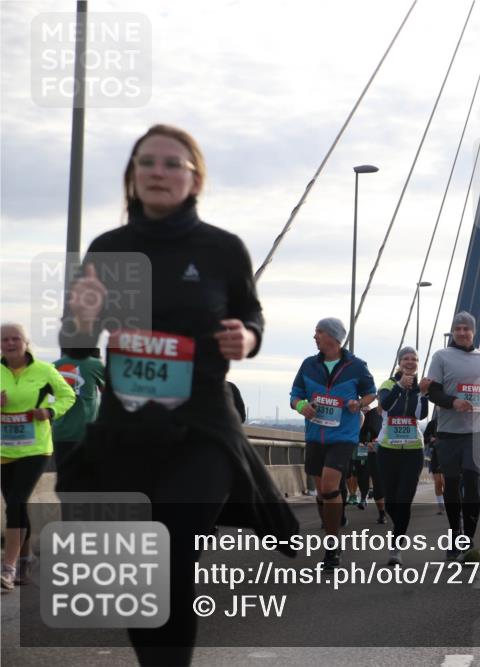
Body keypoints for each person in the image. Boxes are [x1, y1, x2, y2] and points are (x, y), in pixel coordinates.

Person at [57, 125, 298, 666]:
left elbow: (251, 314)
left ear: (195, 180)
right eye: (147, 163)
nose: (159, 172)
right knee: (142, 569)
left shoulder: (220, 249)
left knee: (174, 552)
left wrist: (248, 337)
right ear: (132, 177)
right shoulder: (110, 249)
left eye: (172, 163)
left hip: (203, 429)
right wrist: (83, 314)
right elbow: (75, 342)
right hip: (128, 429)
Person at [290, 317, 376, 570]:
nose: (314, 336)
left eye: (318, 332)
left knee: (328, 488)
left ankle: (332, 548)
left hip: (343, 436)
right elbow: (295, 395)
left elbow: (371, 392)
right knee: (322, 493)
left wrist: (358, 404)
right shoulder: (308, 365)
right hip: (316, 436)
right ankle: (334, 518)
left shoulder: (356, 366)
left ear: (333, 337)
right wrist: (302, 406)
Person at [2, 324, 76, 590]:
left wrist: (50, 412)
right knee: (17, 507)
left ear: (26, 342)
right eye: (5, 339)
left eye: (15, 338)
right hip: (4, 449)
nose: (10, 343)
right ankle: (24, 559)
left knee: (15, 503)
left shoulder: (43, 370)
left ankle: (8, 568)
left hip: (35, 448)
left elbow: (68, 395)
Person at [421, 312, 480, 564]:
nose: (462, 333)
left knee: (472, 484)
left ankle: (468, 540)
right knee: (451, 485)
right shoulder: (441, 356)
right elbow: (432, 391)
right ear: (452, 331)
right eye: (458, 329)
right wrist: (453, 402)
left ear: (474, 332)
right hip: (448, 432)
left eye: (466, 329)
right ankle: (454, 534)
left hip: (476, 432)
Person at [376, 346, 429, 565]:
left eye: (414, 359)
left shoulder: (419, 387)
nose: (410, 362)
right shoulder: (388, 384)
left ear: (417, 363)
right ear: (399, 362)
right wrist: (400, 386)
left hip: (413, 450)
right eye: (405, 359)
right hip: (387, 449)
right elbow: (385, 405)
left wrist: (422, 393)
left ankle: (396, 546)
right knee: (391, 502)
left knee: (404, 500)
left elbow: (422, 414)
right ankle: (399, 528)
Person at [51, 347, 104, 472]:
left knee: (66, 479)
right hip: (86, 432)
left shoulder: (52, 366)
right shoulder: (95, 364)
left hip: (59, 432)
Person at [356, 404, 386, 521]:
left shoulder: (399, 412)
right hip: (370, 451)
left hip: (393, 453)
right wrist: (366, 442)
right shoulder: (370, 415)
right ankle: (381, 513)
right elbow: (360, 433)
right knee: (362, 473)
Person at [424, 416, 445, 514]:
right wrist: (430, 439)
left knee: (446, 482)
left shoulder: (452, 422)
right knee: (438, 482)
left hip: (449, 454)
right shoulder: (432, 423)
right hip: (436, 454)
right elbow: (424, 438)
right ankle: (441, 506)